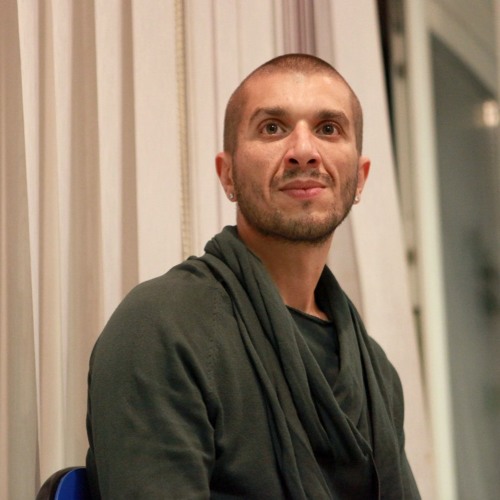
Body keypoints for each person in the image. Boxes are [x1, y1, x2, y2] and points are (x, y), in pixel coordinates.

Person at [86, 53, 420, 499]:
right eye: (272, 128)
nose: (303, 150)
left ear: (359, 179)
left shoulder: (374, 372)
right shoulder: (162, 326)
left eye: (328, 129)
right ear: (228, 175)